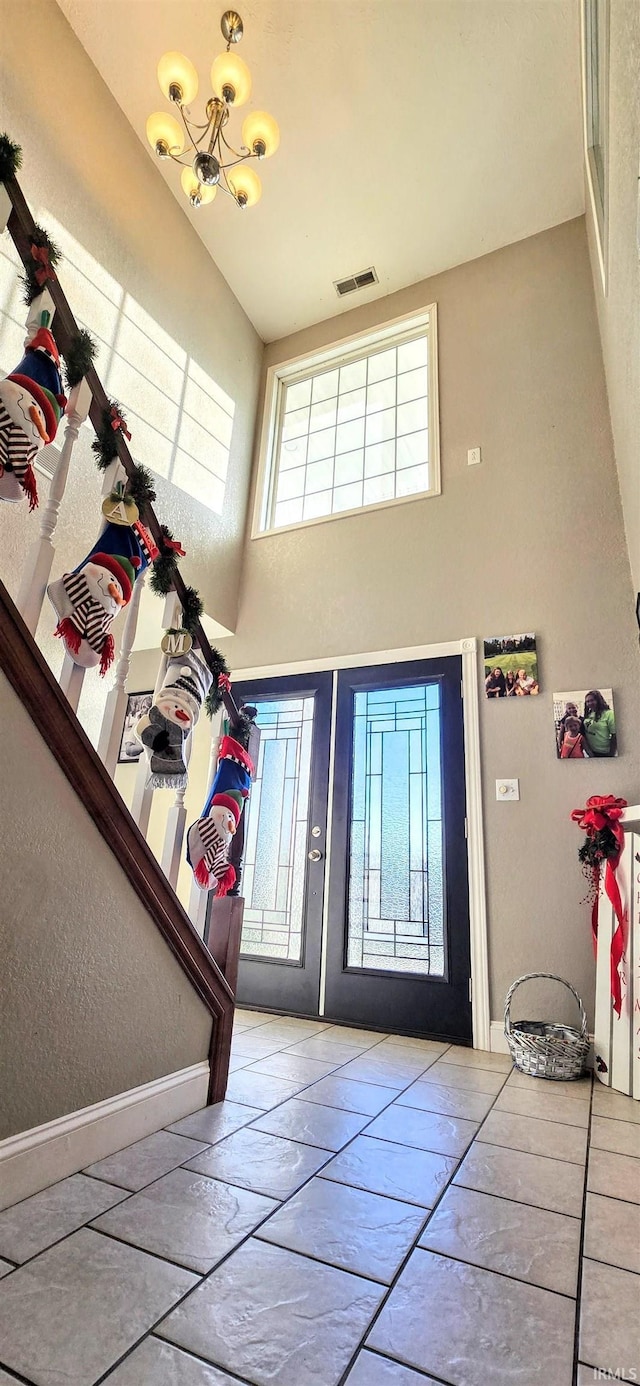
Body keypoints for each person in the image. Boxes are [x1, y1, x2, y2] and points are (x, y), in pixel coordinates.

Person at [583, 690, 617, 757]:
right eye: (587, 701)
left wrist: (612, 754)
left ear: (598, 700)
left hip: (604, 752)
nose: (589, 703)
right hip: (591, 751)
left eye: (592, 700)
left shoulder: (609, 714)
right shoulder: (589, 714)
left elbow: (614, 735)